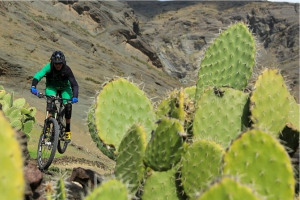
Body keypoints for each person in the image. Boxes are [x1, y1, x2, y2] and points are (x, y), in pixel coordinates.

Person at [30, 50, 79, 142]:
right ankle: (48, 126)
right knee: (51, 104)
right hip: (51, 87)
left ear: (63, 62)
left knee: (68, 106)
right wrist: (33, 87)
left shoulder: (67, 69)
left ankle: (67, 130)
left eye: (60, 63)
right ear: (52, 62)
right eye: (56, 63)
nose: (58, 65)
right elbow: (38, 75)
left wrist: (75, 96)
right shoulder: (48, 67)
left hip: (65, 88)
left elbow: (74, 84)